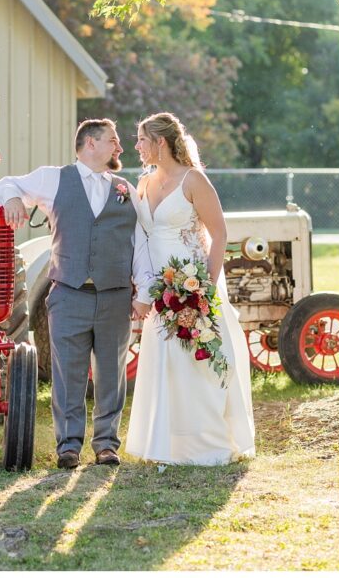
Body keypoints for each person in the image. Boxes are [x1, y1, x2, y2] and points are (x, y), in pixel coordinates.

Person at [0, 118, 154, 469]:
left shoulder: (124, 188)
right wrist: (13, 201)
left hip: (114, 295)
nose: (120, 147)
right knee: (69, 373)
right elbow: (7, 183)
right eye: (113, 140)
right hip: (69, 294)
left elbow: (140, 241)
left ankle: (107, 444)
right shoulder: (55, 179)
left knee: (112, 373)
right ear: (91, 143)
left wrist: (144, 290)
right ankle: (68, 446)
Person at [126, 112, 255, 465]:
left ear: (160, 143)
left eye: (141, 140)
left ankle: (206, 444)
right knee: (166, 364)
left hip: (192, 284)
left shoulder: (194, 180)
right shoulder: (144, 182)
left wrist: (206, 291)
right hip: (160, 290)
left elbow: (219, 235)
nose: (136, 147)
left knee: (197, 362)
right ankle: (167, 445)